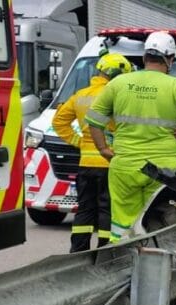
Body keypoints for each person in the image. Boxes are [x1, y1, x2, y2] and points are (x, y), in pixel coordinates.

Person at [86, 31, 176, 243]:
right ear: (170, 59)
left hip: (126, 165)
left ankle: (122, 260)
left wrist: (103, 149)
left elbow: (94, 119)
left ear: (145, 58)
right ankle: (157, 262)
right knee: (159, 220)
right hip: (164, 169)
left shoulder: (119, 84)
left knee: (122, 223)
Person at [51, 52, 132, 252]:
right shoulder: (117, 95)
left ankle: (78, 252)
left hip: (85, 163)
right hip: (109, 161)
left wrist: (78, 141)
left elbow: (58, 122)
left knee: (84, 210)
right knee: (107, 209)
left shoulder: (81, 95)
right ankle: (104, 251)